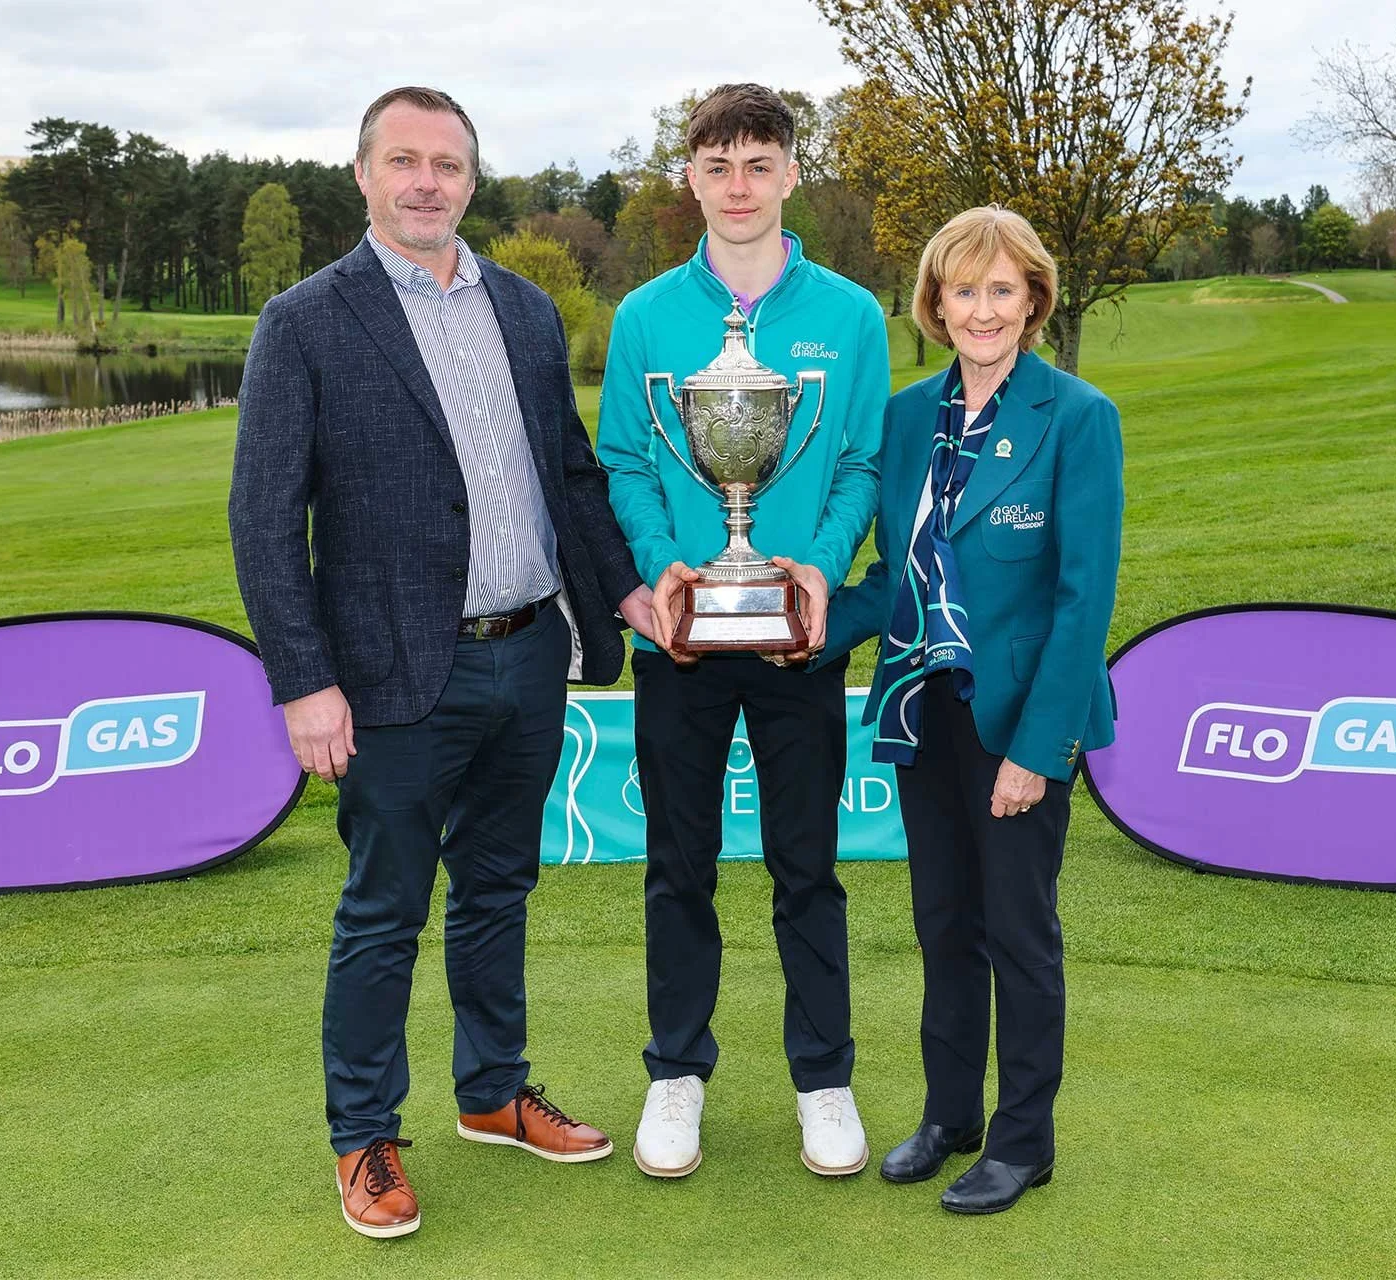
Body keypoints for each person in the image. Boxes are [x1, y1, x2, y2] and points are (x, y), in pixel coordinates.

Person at [228, 84, 662, 1240]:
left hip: (528, 654)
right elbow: (265, 520)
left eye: (449, 164)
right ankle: (363, 1135)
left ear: (474, 179)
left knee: (498, 891)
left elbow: (571, 475)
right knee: (382, 911)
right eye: (405, 161)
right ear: (363, 175)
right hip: (386, 676)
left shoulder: (522, 310)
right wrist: (303, 680)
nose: (429, 181)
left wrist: (622, 588)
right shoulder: (306, 320)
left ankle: (491, 1092)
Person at [595, 83, 890, 1180]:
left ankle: (824, 1076)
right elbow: (625, 457)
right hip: (678, 636)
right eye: (717, 165)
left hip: (796, 637)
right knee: (678, 865)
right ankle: (677, 1070)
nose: (738, 186)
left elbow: (859, 461)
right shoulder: (644, 320)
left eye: (758, 163)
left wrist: (815, 566)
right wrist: (662, 569)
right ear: (691, 178)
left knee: (807, 865)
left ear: (791, 173)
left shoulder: (852, 316)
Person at [819, 206, 1123, 1214]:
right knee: (943, 922)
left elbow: (1084, 600)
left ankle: (1022, 1138)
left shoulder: (1077, 416)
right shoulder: (909, 418)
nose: (982, 308)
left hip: (1020, 720)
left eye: (1003, 289)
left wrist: (1040, 747)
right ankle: (950, 1113)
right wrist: (792, 619)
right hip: (923, 711)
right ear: (935, 304)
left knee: (1017, 932)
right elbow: (892, 578)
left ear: (1032, 300)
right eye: (963, 290)